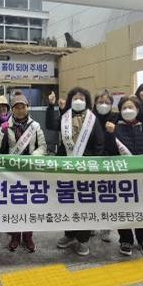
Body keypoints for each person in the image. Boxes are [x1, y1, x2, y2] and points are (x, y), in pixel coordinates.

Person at [105, 96, 143, 257]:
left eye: (131, 107)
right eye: (124, 108)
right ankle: (125, 239)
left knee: (142, 206)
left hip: (142, 175)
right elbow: (109, 151)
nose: (127, 110)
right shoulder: (115, 128)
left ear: (138, 110)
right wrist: (110, 134)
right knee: (123, 208)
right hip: (122, 176)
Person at [54, 87, 105, 256]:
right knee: (68, 201)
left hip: (86, 167)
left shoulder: (92, 119)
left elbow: (99, 143)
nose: (78, 101)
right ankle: (69, 235)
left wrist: (92, 163)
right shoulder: (65, 117)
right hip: (67, 167)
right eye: (75, 98)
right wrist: (53, 107)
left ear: (87, 101)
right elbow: (51, 126)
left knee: (85, 203)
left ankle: (83, 239)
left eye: (82, 98)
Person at [0, 93, 47, 252]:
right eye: (16, 107)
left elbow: (43, 147)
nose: (19, 109)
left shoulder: (35, 126)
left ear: (27, 108)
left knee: (29, 205)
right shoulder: (5, 126)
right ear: (12, 109)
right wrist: (2, 133)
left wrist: (33, 157)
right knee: (14, 204)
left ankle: (28, 236)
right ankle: (15, 236)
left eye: (22, 106)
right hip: (12, 172)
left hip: (30, 171)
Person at [93, 90, 119, 243]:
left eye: (107, 102)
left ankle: (106, 227)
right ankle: (91, 224)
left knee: (107, 195)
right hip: (93, 161)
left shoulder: (116, 117)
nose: (103, 105)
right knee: (91, 195)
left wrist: (111, 132)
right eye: (100, 102)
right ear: (95, 103)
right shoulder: (89, 117)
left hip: (110, 161)